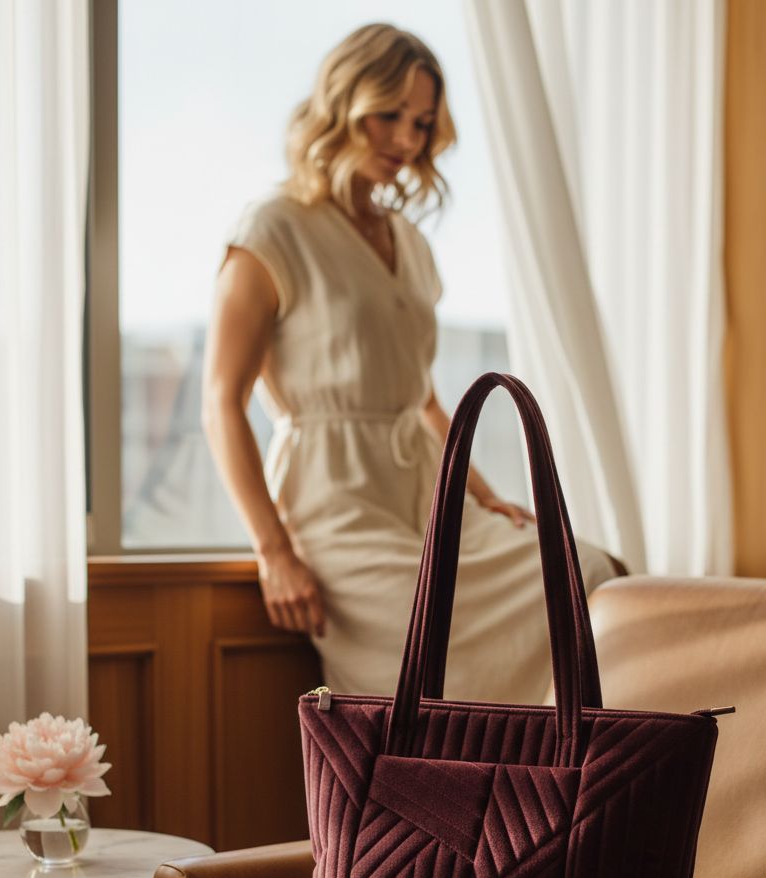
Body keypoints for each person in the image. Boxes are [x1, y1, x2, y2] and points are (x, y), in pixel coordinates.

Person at [202, 22, 621, 704]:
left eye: (422, 123)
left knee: (585, 571)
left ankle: (548, 795)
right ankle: (444, 802)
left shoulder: (409, 243)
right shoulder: (272, 228)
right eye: (387, 115)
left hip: (429, 492)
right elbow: (221, 402)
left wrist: (481, 495)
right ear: (340, 105)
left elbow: (420, 397)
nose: (407, 139)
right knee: (419, 648)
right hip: (335, 508)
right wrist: (273, 550)